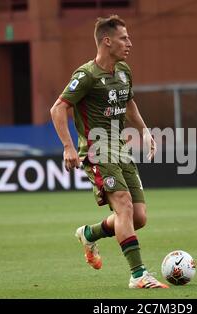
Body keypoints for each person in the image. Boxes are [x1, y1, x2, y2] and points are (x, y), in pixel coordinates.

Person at [50, 15, 168, 289]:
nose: (129, 43)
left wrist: (146, 131)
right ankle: (139, 275)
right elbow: (58, 108)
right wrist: (68, 146)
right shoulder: (86, 76)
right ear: (107, 41)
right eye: (124, 38)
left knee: (138, 217)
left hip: (120, 148)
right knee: (124, 204)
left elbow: (129, 105)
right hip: (97, 148)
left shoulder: (124, 70)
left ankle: (89, 233)